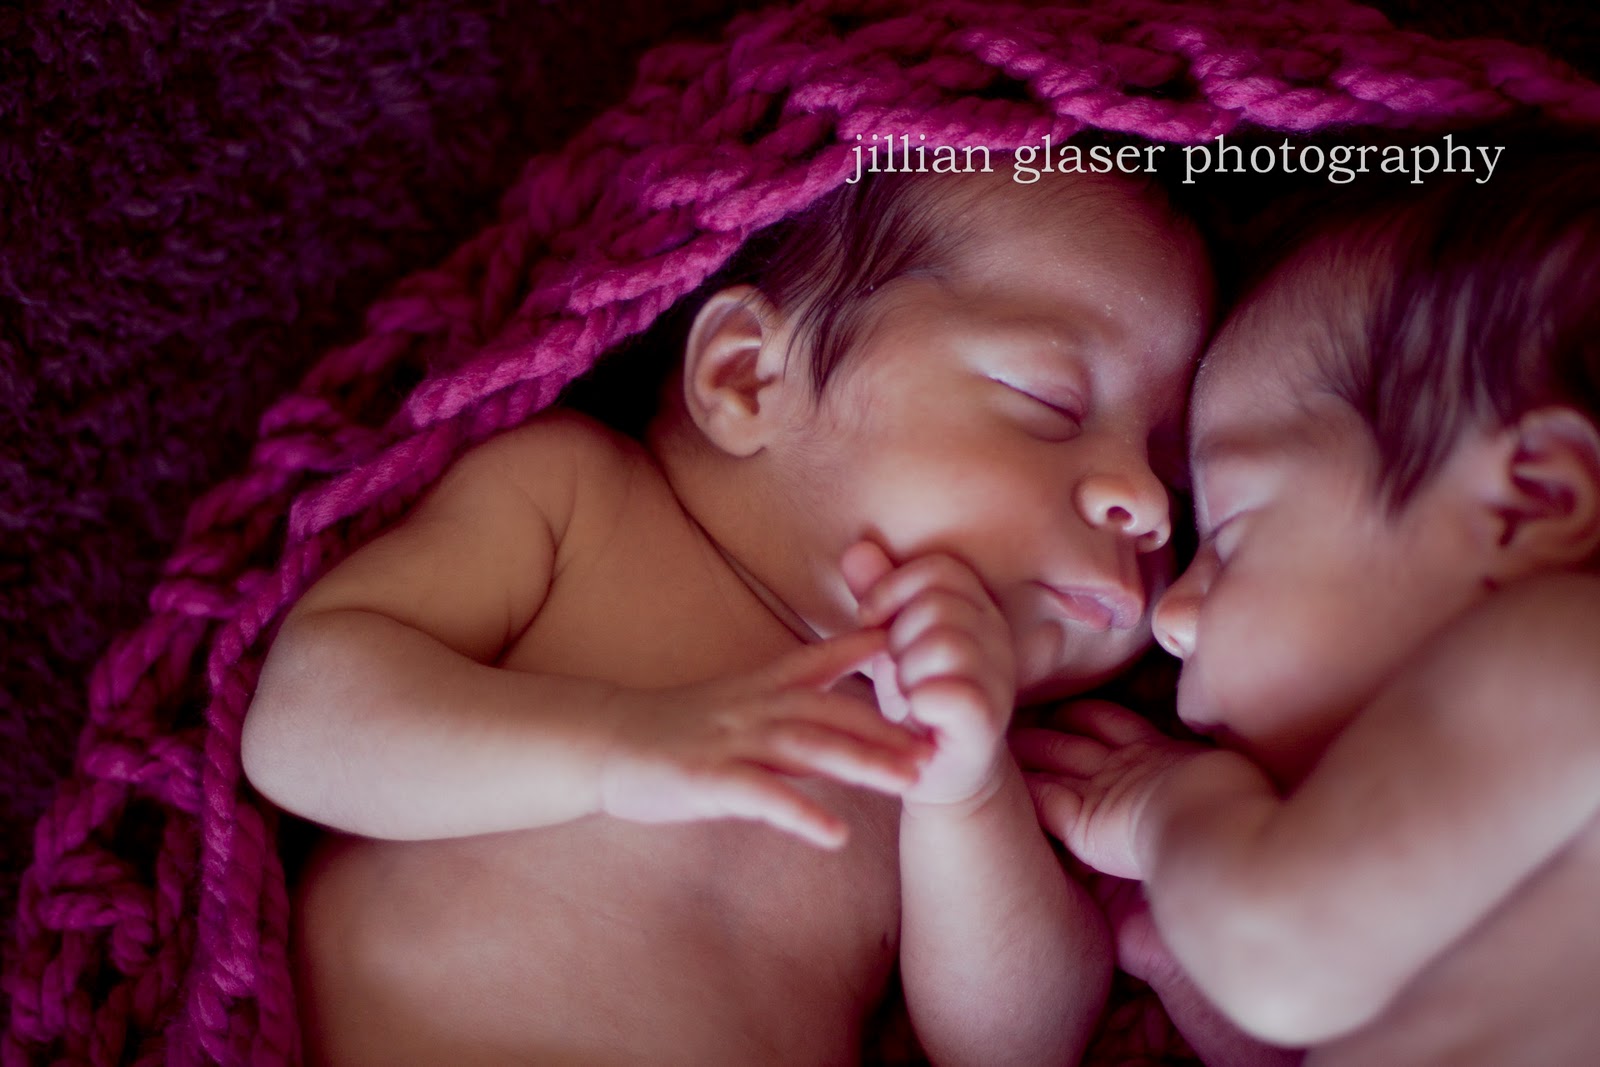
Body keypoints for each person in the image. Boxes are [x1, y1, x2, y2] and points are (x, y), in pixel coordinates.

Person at [241, 161, 1213, 1066]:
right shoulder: (576, 501)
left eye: (1176, 476)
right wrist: (618, 746)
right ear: (747, 376)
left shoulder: (985, 770)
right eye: (1050, 402)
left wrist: (963, 794)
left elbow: (1016, 1048)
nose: (1145, 501)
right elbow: (302, 727)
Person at [1016, 146, 1600, 1066]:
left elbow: (1283, 962)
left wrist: (1170, 811)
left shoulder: (1568, 658)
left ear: (1535, 502)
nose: (1171, 616)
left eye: (1232, 532)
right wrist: (1191, 945)